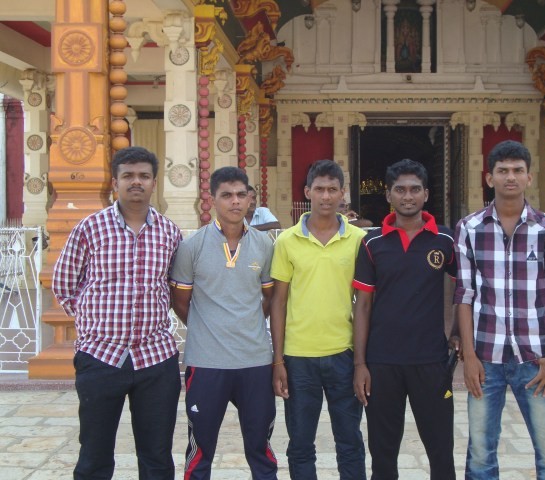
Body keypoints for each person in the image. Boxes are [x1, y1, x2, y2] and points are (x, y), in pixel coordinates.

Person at [52, 146, 182, 480]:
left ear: (154, 183)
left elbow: (175, 285)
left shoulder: (169, 233)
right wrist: (93, 324)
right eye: (128, 176)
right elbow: (64, 284)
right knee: (94, 455)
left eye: (144, 176)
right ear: (115, 182)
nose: (136, 182)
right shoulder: (90, 228)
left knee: (157, 456)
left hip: (155, 357)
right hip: (100, 357)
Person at [454, 140, 545, 479]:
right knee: (480, 456)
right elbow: (464, 295)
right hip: (485, 359)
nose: (510, 177)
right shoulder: (469, 228)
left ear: (529, 177)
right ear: (489, 178)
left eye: (518, 170)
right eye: (502, 170)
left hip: (536, 359)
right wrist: (469, 356)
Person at [169, 167, 277, 480]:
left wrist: (246, 322)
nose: (235, 201)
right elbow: (180, 302)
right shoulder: (192, 246)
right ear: (212, 199)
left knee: (260, 449)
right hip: (206, 363)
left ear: (250, 199)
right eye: (227, 195)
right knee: (200, 451)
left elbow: (269, 299)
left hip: (255, 361)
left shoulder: (264, 245)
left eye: (241, 195)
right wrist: (209, 327)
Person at [352, 159, 457, 479]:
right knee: (383, 456)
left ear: (426, 194)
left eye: (414, 189)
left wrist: (456, 334)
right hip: (382, 363)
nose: (407, 196)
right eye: (400, 190)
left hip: (431, 361)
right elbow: (363, 306)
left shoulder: (445, 239)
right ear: (388, 195)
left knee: (441, 452)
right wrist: (360, 364)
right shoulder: (372, 243)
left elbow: (464, 292)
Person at [270, 159, 367, 479]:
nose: (326, 196)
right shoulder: (287, 241)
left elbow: (366, 303)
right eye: (320, 189)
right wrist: (278, 360)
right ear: (307, 191)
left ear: (342, 193)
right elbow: (278, 302)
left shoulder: (358, 240)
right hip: (298, 358)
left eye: (332, 189)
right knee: (300, 444)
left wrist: (361, 361)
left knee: (350, 441)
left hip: (344, 354)